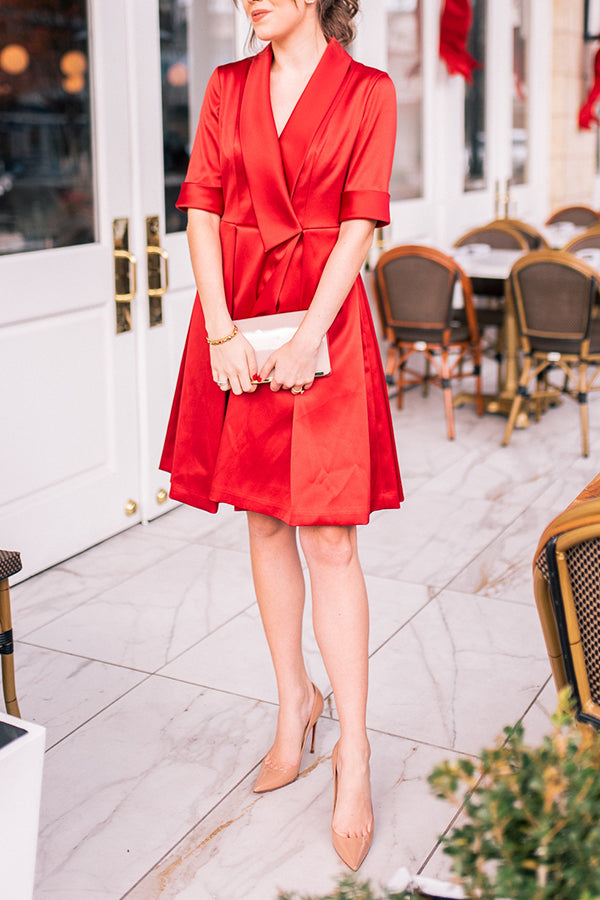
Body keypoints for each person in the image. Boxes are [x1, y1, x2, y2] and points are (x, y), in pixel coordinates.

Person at [160, 0, 403, 872]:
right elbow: (200, 207)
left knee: (330, 536)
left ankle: (357, 750)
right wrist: (222, 333)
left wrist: (309, 342)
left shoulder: (370, 91)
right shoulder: (227, 86)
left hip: (323, 328)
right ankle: (293, 701)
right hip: (237, 326)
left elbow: (360, 226)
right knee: (263, 520)